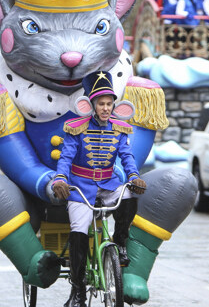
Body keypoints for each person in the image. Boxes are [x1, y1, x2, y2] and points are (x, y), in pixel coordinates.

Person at [52, 71, 147, 307]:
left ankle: (120, 242)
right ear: (91, 104)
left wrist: (134, 176)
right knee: (78, 230)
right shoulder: (76, 127)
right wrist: (60, 179)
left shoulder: (120, 128)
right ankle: (77, 292)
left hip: (108, 184)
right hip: (80, 187)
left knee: (128, 197)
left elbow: (126, 156)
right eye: (101, 104)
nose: (105, 108)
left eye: (109, 103)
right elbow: (65, 157)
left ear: (115, 104)